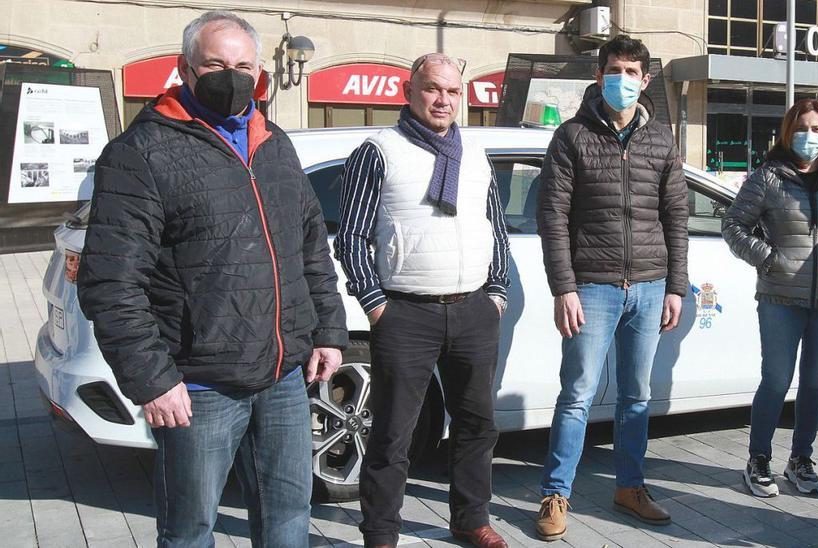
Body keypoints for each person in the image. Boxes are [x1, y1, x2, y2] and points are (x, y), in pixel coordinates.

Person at [76, 11, 348, 547]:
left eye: (244, 65)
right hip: (198, 387)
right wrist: (152, 379)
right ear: (185, 69)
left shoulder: (275, 144)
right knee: (189, 531)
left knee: (289, 519)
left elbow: (310, 246)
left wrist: (329, 331)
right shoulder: (141, 153)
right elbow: (111, 283)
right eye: (217, 64)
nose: (233, 76)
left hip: (282, 378)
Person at [335, 51, 511, 548]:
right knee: (394, 432)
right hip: (405, 312)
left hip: (473, 309)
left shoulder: (475, 154)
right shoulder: (379, 149)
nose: (443, 99)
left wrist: (496, 292)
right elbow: (351, 236)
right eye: (433, 88)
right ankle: (381, 533)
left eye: (453, 91)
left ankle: (471, 520)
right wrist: (375, 304)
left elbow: (495, 228)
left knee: (477, 426)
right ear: (409, 92)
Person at [533, 35, 688, 542]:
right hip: (592, 288)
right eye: (614, 69)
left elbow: (676, 217)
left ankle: (630, 487)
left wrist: (676, 288)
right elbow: (552, 215)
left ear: (645, 81)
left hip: (648, 285)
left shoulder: (662, 139)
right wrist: (564, 287)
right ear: (599, 76)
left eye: (632, 72)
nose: (622, 79)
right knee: (576, 394)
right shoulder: (572, 136)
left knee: (636, 396)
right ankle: (556, 493)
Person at [722, 99, 818, 498]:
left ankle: (801, 459)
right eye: (802, 128)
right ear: (788, 132)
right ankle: (758, 460)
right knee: (776, 379)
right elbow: (734, 225)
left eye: (817, 129)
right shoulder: (768, 177)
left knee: (815, 382)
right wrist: (768, 258)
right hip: (780, 296)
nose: (810, 136)